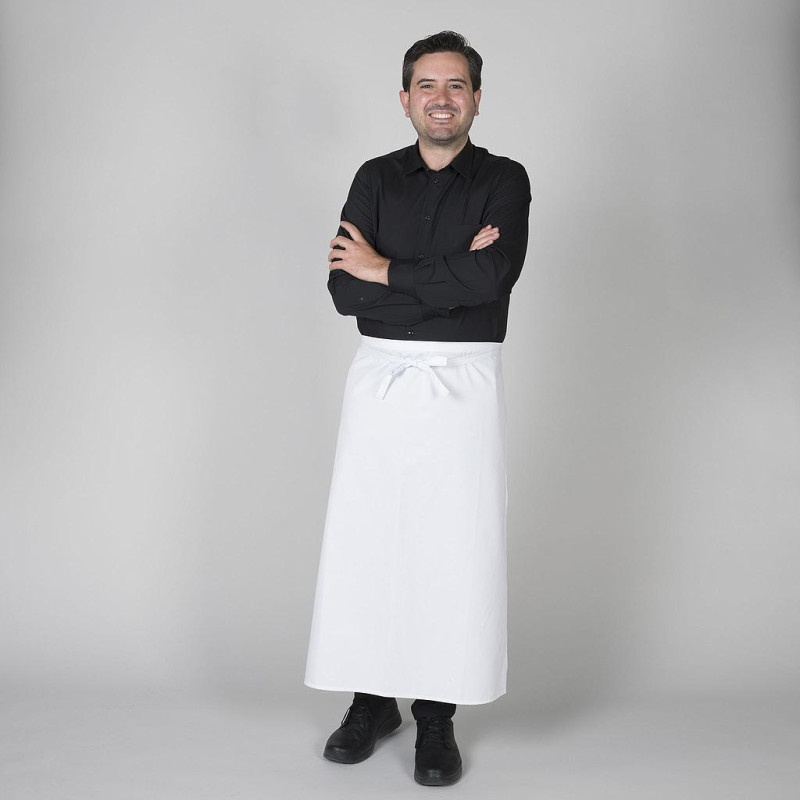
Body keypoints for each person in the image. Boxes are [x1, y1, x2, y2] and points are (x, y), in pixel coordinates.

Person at [304, 30, 531, 786]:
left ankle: (437, 715)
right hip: (380, 380)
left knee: (451, 547)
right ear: (405, 99)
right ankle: (372, 703)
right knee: (371, 541)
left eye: (456, 85)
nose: (441, 98)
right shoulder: (374, 178)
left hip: (464, 384)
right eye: (427, 85)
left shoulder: (504, 179)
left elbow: (492, 279)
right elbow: (345, 291)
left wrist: (387, 270)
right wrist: (444, 276)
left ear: (476, 99)